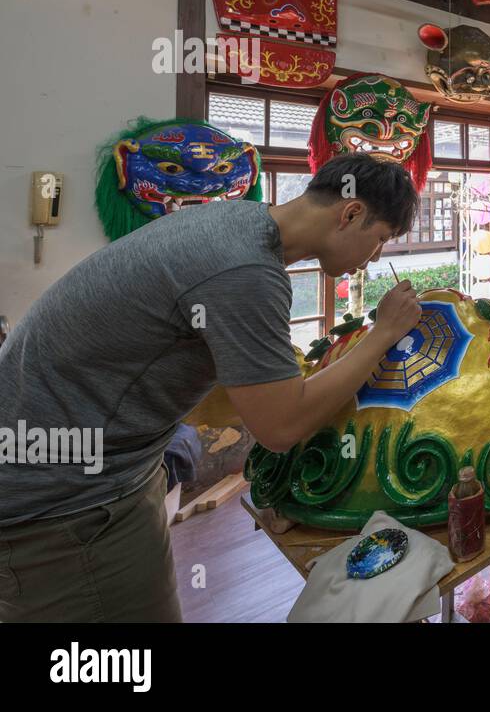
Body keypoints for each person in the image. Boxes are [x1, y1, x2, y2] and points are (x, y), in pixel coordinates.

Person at [0, 154, 423, 621]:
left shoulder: (234, 219)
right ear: (351, 213)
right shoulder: (244, 270)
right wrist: (384, 333)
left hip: (97, 469)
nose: (376, 256)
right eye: (381, 239)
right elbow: (280, 428)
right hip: (62, 503)